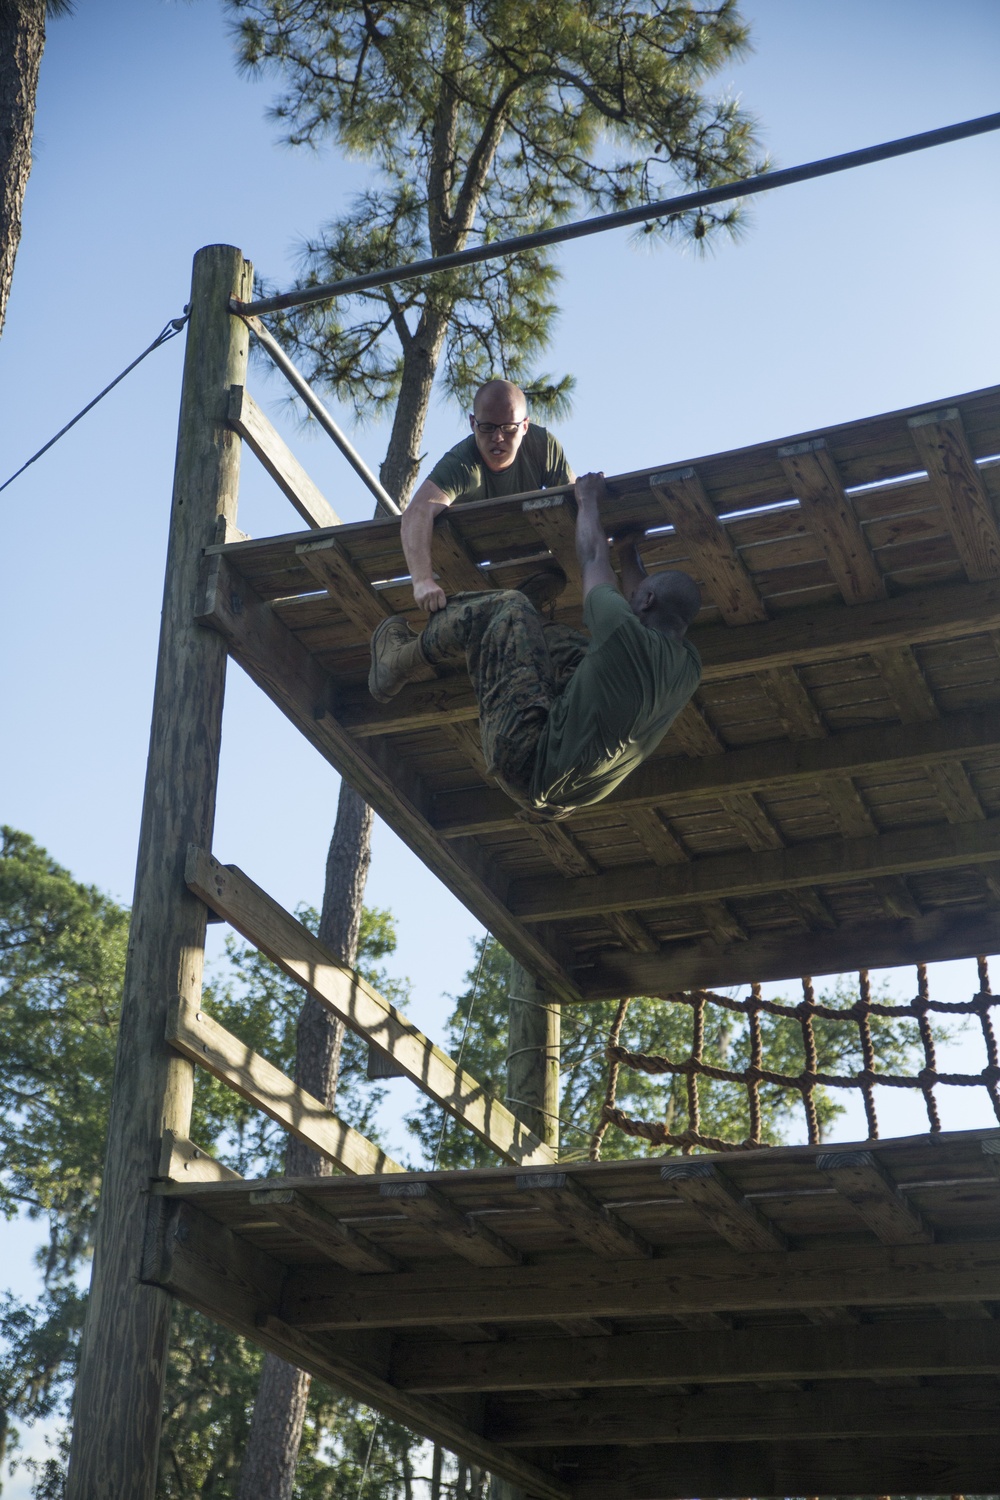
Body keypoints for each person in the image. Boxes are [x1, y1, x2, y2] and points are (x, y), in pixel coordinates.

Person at [370, 472, 702, 819]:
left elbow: (591, 558)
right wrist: (627, 551)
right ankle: (526, 623)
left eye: (639, 595)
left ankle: (399, 658)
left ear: (647, 601)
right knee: (581, 654)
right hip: (564, 794)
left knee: (506, 608)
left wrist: (588, 499)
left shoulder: (622, 631)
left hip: (526, 755)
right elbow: (643, 596)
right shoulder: (687, 668)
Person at [401, 378, 574, 614]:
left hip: (537, 568)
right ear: (473, 423)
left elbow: (573, 503)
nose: (498, 438)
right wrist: (423, 582)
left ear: (524, 426)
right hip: (477, 577)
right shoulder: (461, 464)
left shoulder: (542, 446)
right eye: (488, 428)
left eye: (508, 428)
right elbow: (417, 512)